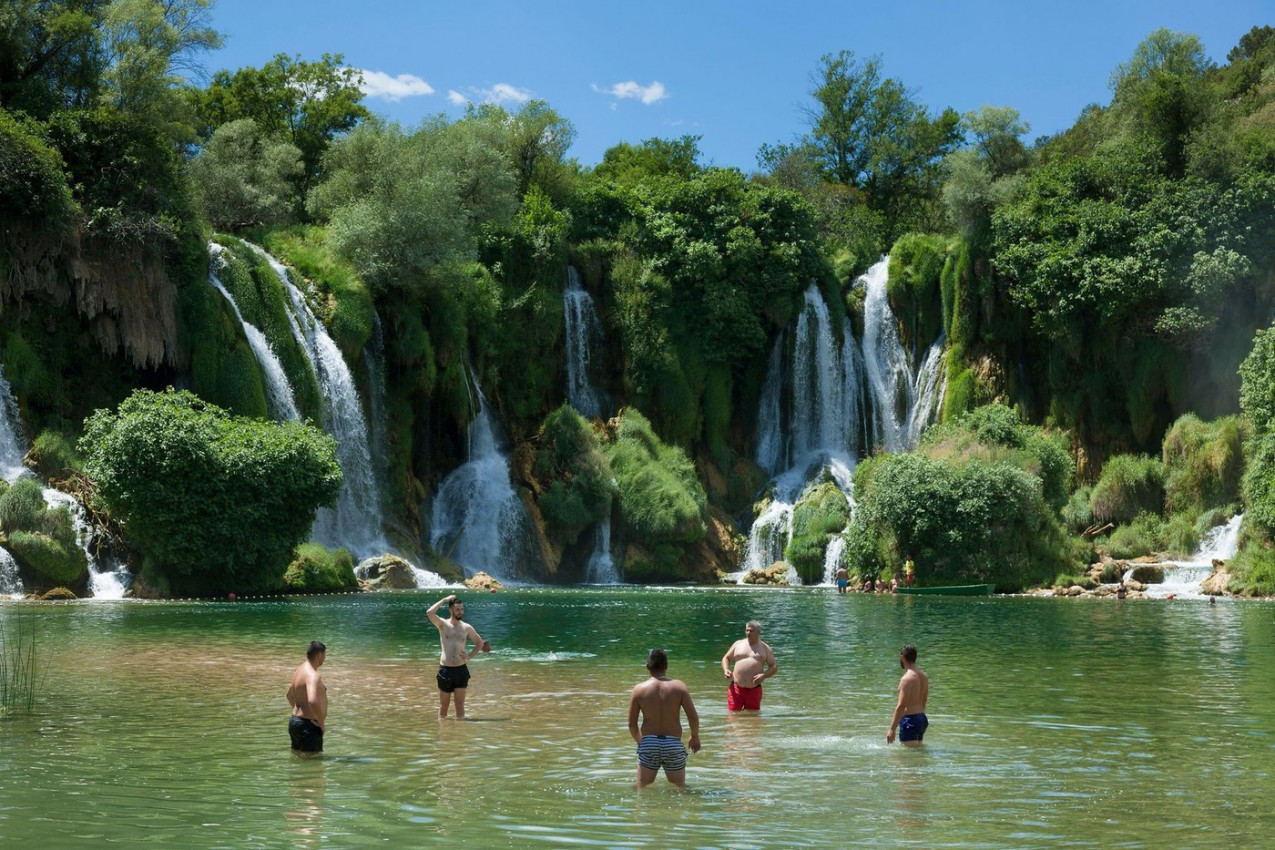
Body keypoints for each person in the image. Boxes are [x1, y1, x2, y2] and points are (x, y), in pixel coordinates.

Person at [628, 648, 701, 788]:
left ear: (647, 666)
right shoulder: (679, 687)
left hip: (649, 742)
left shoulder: (639, 689)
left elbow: (632, 724)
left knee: (642, 788)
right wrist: (695, 736)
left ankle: (642, 809)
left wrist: (640, 742)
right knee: (680, 788)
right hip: (673, 743)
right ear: (666, 666)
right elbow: (693, 717)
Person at [427, 593, 491, 719]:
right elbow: (429, 612)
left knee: (460, 706)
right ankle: (443, 735)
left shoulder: (466, 627)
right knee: (443, 707)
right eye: (457, 609)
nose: (460, 612)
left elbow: (479, 643)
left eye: (462, 609)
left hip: (461, 670)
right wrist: (445, 600)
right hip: (445, 670)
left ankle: (459, 736)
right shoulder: (443, 624)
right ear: (451, 610)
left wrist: (470, 656)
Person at [721, 620, 778, 711]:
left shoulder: (765, 648)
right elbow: (726, 658)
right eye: (747, 630)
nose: (748, 633)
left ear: (758, 632)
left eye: (751, 631)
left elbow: (773, 666)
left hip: (754, 689)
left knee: (753, 718)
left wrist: (764, 675)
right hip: (736, 687)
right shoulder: (738, 644)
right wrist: (726, 670)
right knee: (733, 716)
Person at [287, 640, 328, 754]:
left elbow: (289, 695)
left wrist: (299, 715)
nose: (324, 659)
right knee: (314, 767)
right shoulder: (312, 675)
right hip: (309, 726)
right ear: (319, 654)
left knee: (298, 762)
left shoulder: (299, 671)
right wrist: (321, 723)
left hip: (295, 723)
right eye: (324, 655)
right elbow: (312, 700)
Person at [887, 644, 929, 747]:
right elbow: (924, 700)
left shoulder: (907, 679)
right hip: (922, 718)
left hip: (910, 720)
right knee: (917, 753)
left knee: (907, 758)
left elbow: (901, 705)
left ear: (902, 657)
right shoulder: (923, 676)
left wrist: (892, 729)